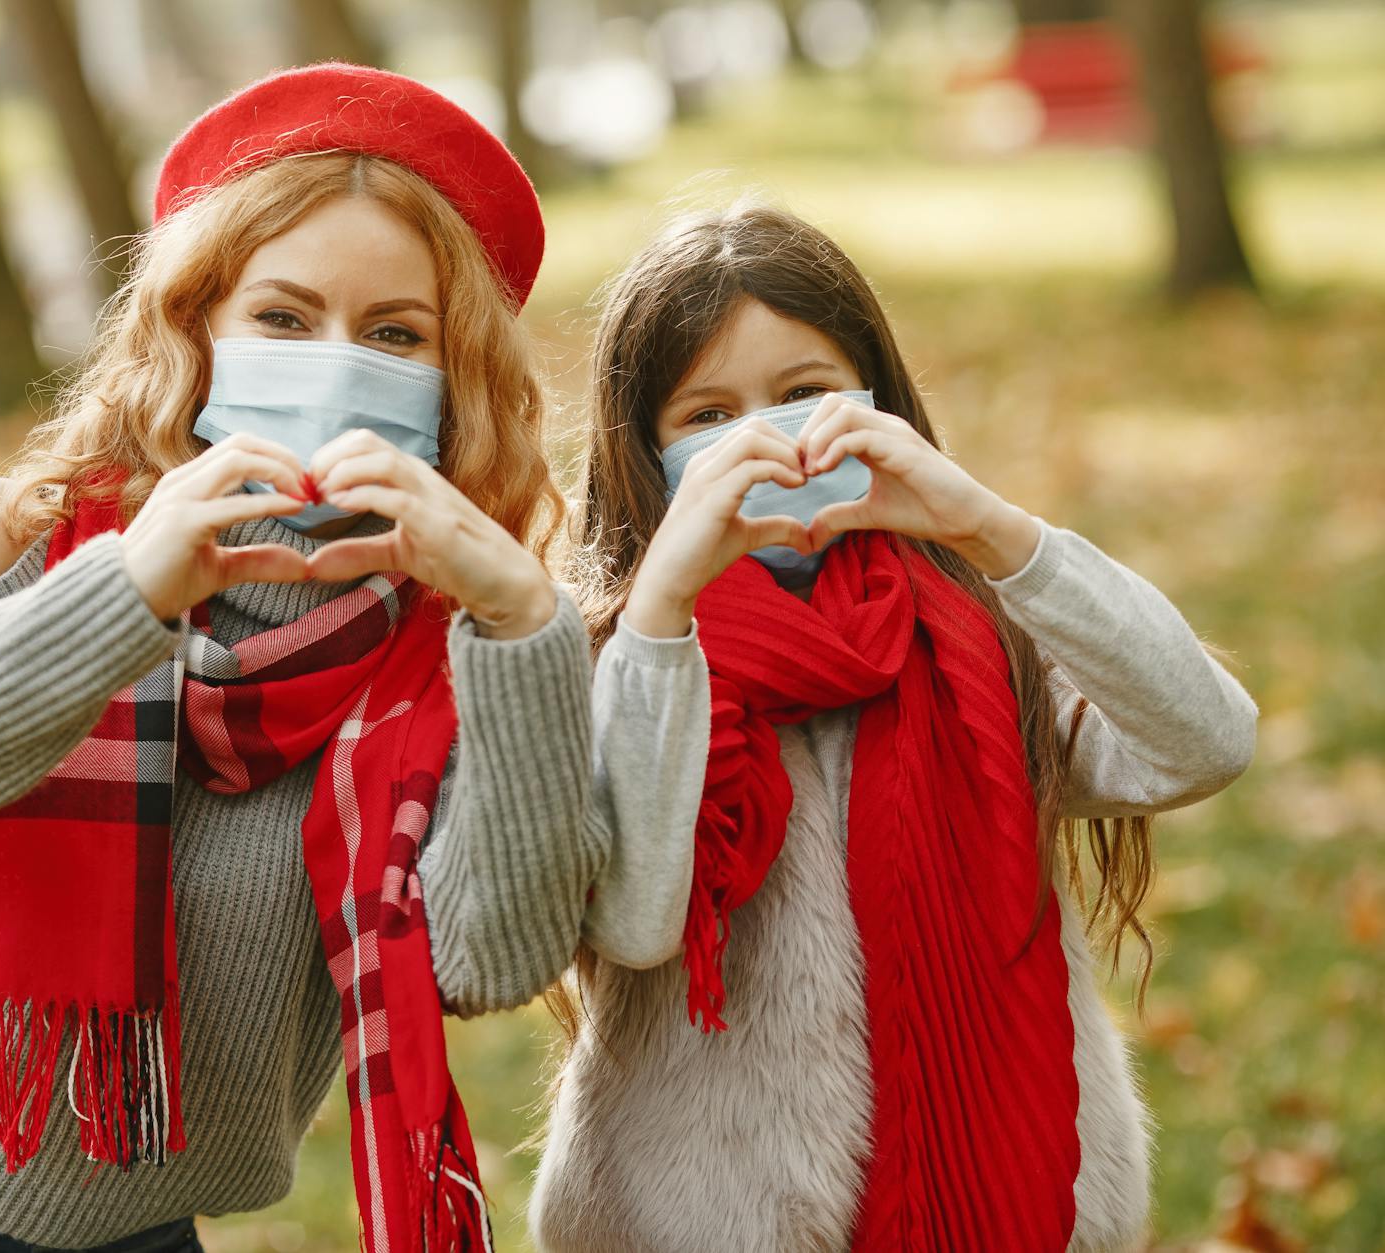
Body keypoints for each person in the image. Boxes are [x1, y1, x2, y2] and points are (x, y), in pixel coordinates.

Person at [0, 64, 686, 1253]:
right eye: (283, 318)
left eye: (394, 334)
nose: (335, 360)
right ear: (196, 323)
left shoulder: (447, 657)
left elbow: (489, 957)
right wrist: (128, 593)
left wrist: (514, 619)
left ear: (454, 382)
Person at [529, 201, 1258, 1252]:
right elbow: (637, 918)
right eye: (704, 414)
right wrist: (662, 612)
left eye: (802, 394)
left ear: (876, 404)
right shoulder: (609, 660)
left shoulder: (979, 631)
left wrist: (992, 530)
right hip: (689, 1217)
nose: (759, 441)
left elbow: (1203, 740)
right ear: (641, 450)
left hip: (1016, 1200)